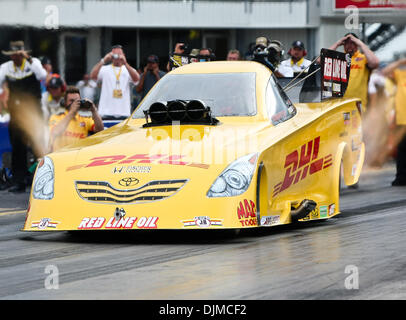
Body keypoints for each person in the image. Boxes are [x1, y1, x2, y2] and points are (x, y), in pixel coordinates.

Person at [0, 40, 47, 192]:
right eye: (14, 55)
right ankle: (18, 181)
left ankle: (45, 179)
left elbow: (42, 75)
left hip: (33, 112)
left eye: (19, 54)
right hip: (16, 112)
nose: (16, 57)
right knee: (17, 147)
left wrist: (29, 59)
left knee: (37, 145)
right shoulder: (5, 68)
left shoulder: (33, 63)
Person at [329, 33, 380, 112]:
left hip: (359, 106)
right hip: (339, 106)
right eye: (346, 43)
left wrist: (361, 43)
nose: (349, 45)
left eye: (352, 43)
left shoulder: (363, 58)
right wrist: (337, 43)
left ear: (357, 44)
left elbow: (375, 63)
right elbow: (320, 61)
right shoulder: (339, 58)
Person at [90, 44, 140, 119]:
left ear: (123, 55)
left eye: (119, 54)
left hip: (124, 112)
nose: (117, 57)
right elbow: (93, 76)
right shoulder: (104, 69)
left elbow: (136, 79)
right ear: (111, 56)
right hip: (105, 113)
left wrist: (125, 63)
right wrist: (103, 60)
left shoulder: (127, 69)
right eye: (114, 54)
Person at [48, 86, 104, 152]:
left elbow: (100, 130)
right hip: (61, 156)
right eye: (71, 101)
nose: (74, 103)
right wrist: (72, 112)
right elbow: (55, 132)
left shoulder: (84, 119)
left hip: (79, 157)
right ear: (65, 102)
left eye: (77, 101)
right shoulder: (56, 117)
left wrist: (94, 110)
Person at [382, 57, 406, 186]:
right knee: (401, 150)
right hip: (402, 118)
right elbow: (385, 72)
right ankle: (401, 177)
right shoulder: (401, 74)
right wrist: (400, 62)